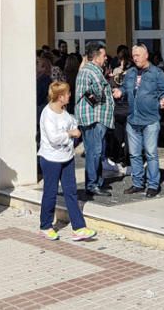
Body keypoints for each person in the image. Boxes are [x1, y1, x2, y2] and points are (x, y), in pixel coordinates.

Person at [38, 81, 97, 241]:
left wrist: (75, 130)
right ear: (60, 96)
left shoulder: (64, 111)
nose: (70, 95)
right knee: (50, 193)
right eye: (68, 93)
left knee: (71, 192)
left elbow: (72, 124)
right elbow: (54, 138)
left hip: (67, 157)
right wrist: (71, 133)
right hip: (51, 159)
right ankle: (45, 226)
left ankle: (79, 228)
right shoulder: (47, 114)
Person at [112, 44, 164, 197]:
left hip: (150, 120)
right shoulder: (130, 72)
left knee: (151, 153)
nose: (135, 58)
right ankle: (138, 183)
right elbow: (125, 88)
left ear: (146, 55)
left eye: (138, 55)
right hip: (132, 119)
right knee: (134, 154)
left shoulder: (157, 73)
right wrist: (120, 91)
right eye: (134, 55)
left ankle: (153, 185)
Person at [74, 44, 114, 197]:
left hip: (91, 117)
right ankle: (92, 184)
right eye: (104, 56)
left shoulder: (88, 70)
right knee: (94, 152)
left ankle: (95, 182)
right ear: (96, 57)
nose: (105, 59)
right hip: (94, 117)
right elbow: (96, 92)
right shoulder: (92, 70)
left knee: (94, 151)